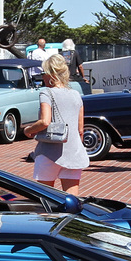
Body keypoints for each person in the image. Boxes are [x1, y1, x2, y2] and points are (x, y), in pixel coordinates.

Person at [23, 54, 88, 192]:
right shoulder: (76, 94)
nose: (42, 76)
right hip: (73, 152)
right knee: (72, 199)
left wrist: (28, 130)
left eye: (44, 73)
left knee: (46, 198)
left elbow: (45, 121)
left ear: (51, 74)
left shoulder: (46, 93)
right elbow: (80, 130)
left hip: (49, 151)